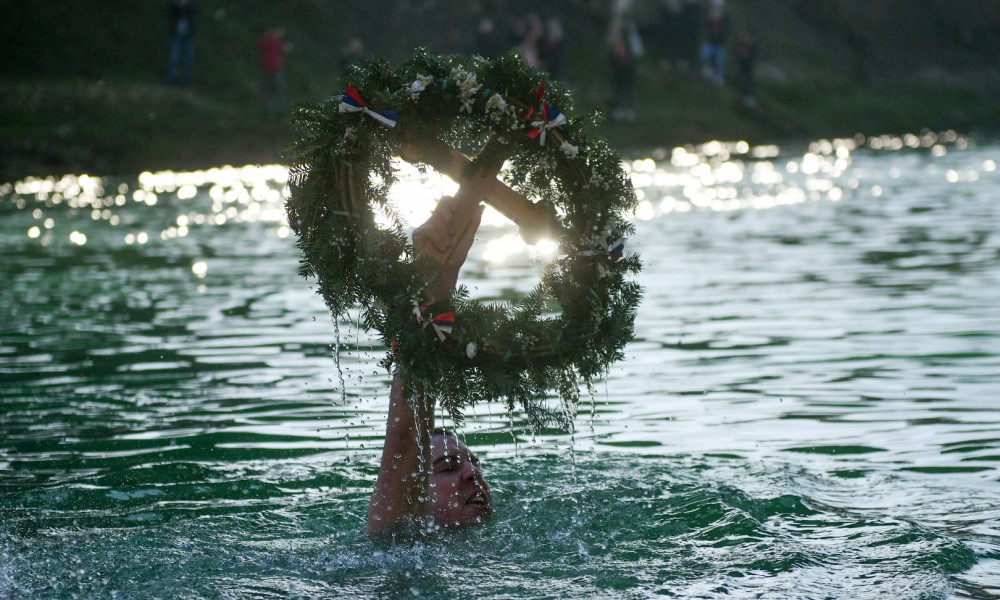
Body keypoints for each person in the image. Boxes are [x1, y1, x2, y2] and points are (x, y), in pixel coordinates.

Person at [366, 187, 492, 539]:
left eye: (472, 464)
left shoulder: (495, 549)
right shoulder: (397, 539)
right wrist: (432, 294)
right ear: (417, 485)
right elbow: (406, 435)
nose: (472, 474)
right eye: (448, 467)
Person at [257, 27, 292, 118]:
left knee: (270, 92)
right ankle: (275, 113)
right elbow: (284, 49)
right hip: (274, 71)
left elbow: (282, 50)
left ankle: (271, 113)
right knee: (276, 92)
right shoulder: (272, 42)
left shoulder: (267, 41)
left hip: (268, 70)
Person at [166, 0, 196, 86]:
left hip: (188, 35)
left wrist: (185, 5)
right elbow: (171, 15)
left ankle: (185, 81)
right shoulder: (173, 5)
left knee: (188, 59)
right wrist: (178, 6)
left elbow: (194, 12)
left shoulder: (191, 4)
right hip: (176, 35)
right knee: (173, 58)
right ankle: (170, 80)